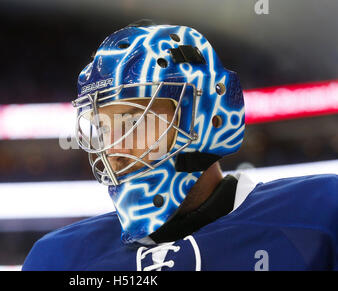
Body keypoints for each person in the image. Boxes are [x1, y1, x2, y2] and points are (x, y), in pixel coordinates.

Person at [22, 21, 337, 271]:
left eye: (134, 122)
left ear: (205, 118)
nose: (114, 150)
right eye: (104, 128)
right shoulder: (59, 258)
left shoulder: (319, 216)